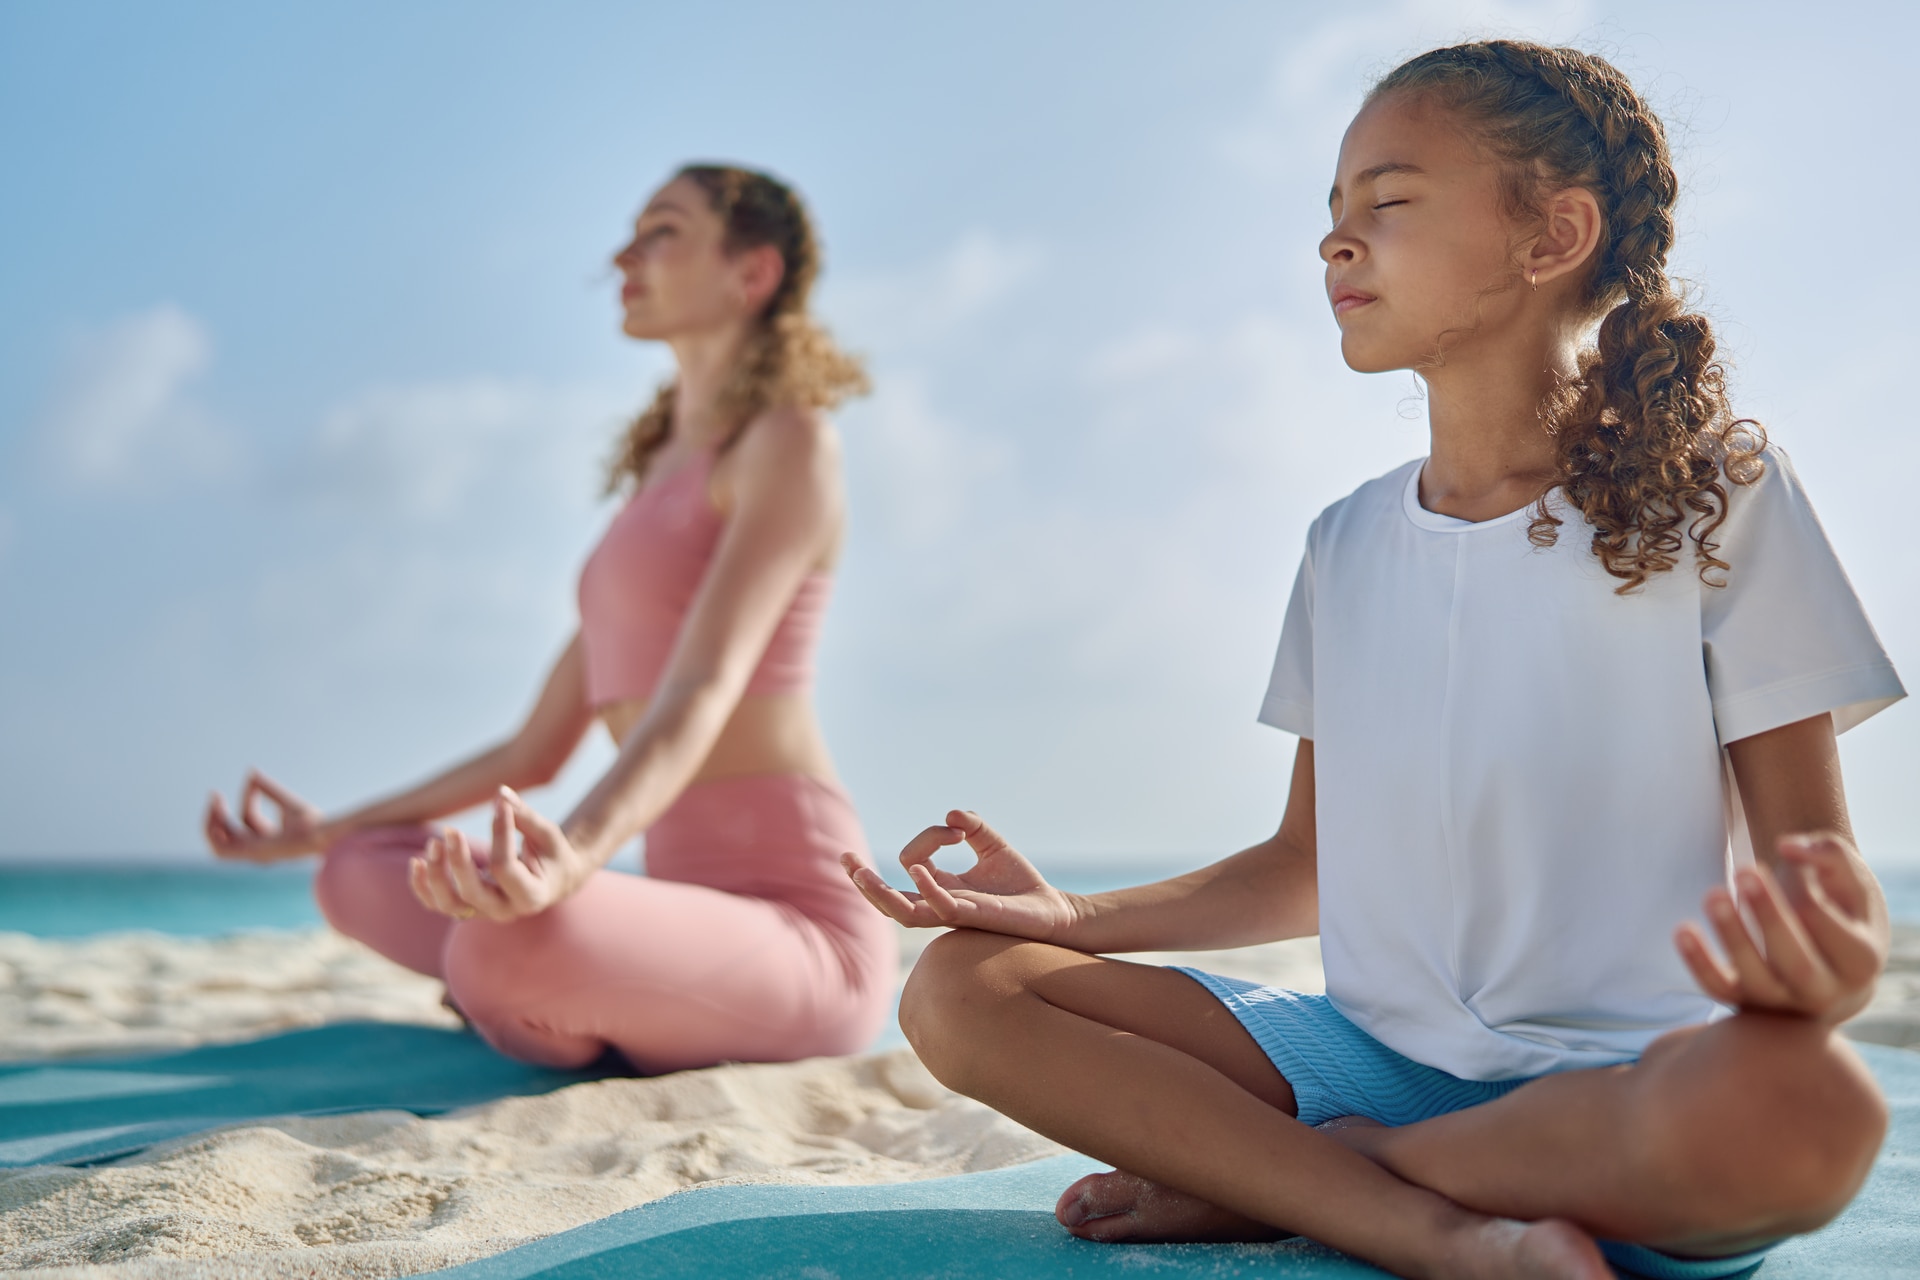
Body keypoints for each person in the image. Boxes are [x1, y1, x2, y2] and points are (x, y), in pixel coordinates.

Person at [842, 41, 1904, 1280]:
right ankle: (1417, 1223)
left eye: (1387, 204)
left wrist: (1823, 967)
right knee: (963, 988)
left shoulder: (1718, 497)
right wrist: (1072, 916)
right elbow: (1305, 866)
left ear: (1551, 234)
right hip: (1371, 1059)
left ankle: (1306, 1177)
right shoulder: (1344, 544)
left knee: (1814, 1114)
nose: (1335, 245)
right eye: (1332, 216)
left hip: (1624, 1099)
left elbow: (1818, 874)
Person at [205, 163, 896, 1075]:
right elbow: (531, 753)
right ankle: (569, 984)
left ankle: (540, 982)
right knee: (361, 872)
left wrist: (569, 861)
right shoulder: (654, 484)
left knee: (499, 945)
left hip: (803, 933)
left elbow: (700, 690)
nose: (623, 255)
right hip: (688, 910)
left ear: (752, 273)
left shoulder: (790, 443)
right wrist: (324, 830)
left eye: (662, 232)